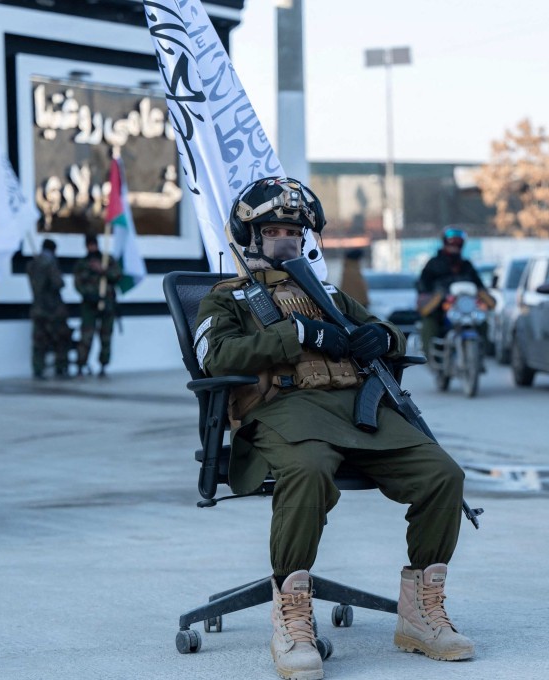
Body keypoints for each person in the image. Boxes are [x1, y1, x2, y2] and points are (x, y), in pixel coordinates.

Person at [193, 177, 473, 679]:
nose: (286, 241)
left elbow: (390, 332)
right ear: (251, 237)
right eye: (274, 230)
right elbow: (215, 358)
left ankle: (420, 613)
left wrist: (377, 337)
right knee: (306, 470)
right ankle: (292, 612)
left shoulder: (328, 295)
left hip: (358, 414)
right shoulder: (228, 298)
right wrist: (294, 334)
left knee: (442, 475)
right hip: (283, 413)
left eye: (294, 233)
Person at [416, 227, 494, 359]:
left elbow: (479, 285)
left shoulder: (466, 265)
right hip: (440, 310)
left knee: (483, 322)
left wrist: (484, 296)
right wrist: (436, 296)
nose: (454, 247)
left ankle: (483, 353)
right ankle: (430, 357)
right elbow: (423, 286)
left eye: (458, 244)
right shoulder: (433, 264)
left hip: (464, 308)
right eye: (452, 243)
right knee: (429, 325)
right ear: (445, 243)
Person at [74, 234, 122, 378]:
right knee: (86, 337)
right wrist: (88, 295)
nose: (92, 247)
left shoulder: (107, 260)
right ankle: (81, 365)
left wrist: (103, 270)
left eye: (93, 244)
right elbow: (78, 283)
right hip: (89, 305)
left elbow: (117, 275)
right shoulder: (82, 264)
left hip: (107, 305)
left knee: (106, 337)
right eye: (89, 245)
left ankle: (103, 365)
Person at [26, 238, 72, 379]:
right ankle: (61, 367)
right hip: (53, 308)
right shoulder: (51, 263)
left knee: (39, 341)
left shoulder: (32, 264)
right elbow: (58, 283)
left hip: (37, 307)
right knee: (61, 339)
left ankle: (38, 369)